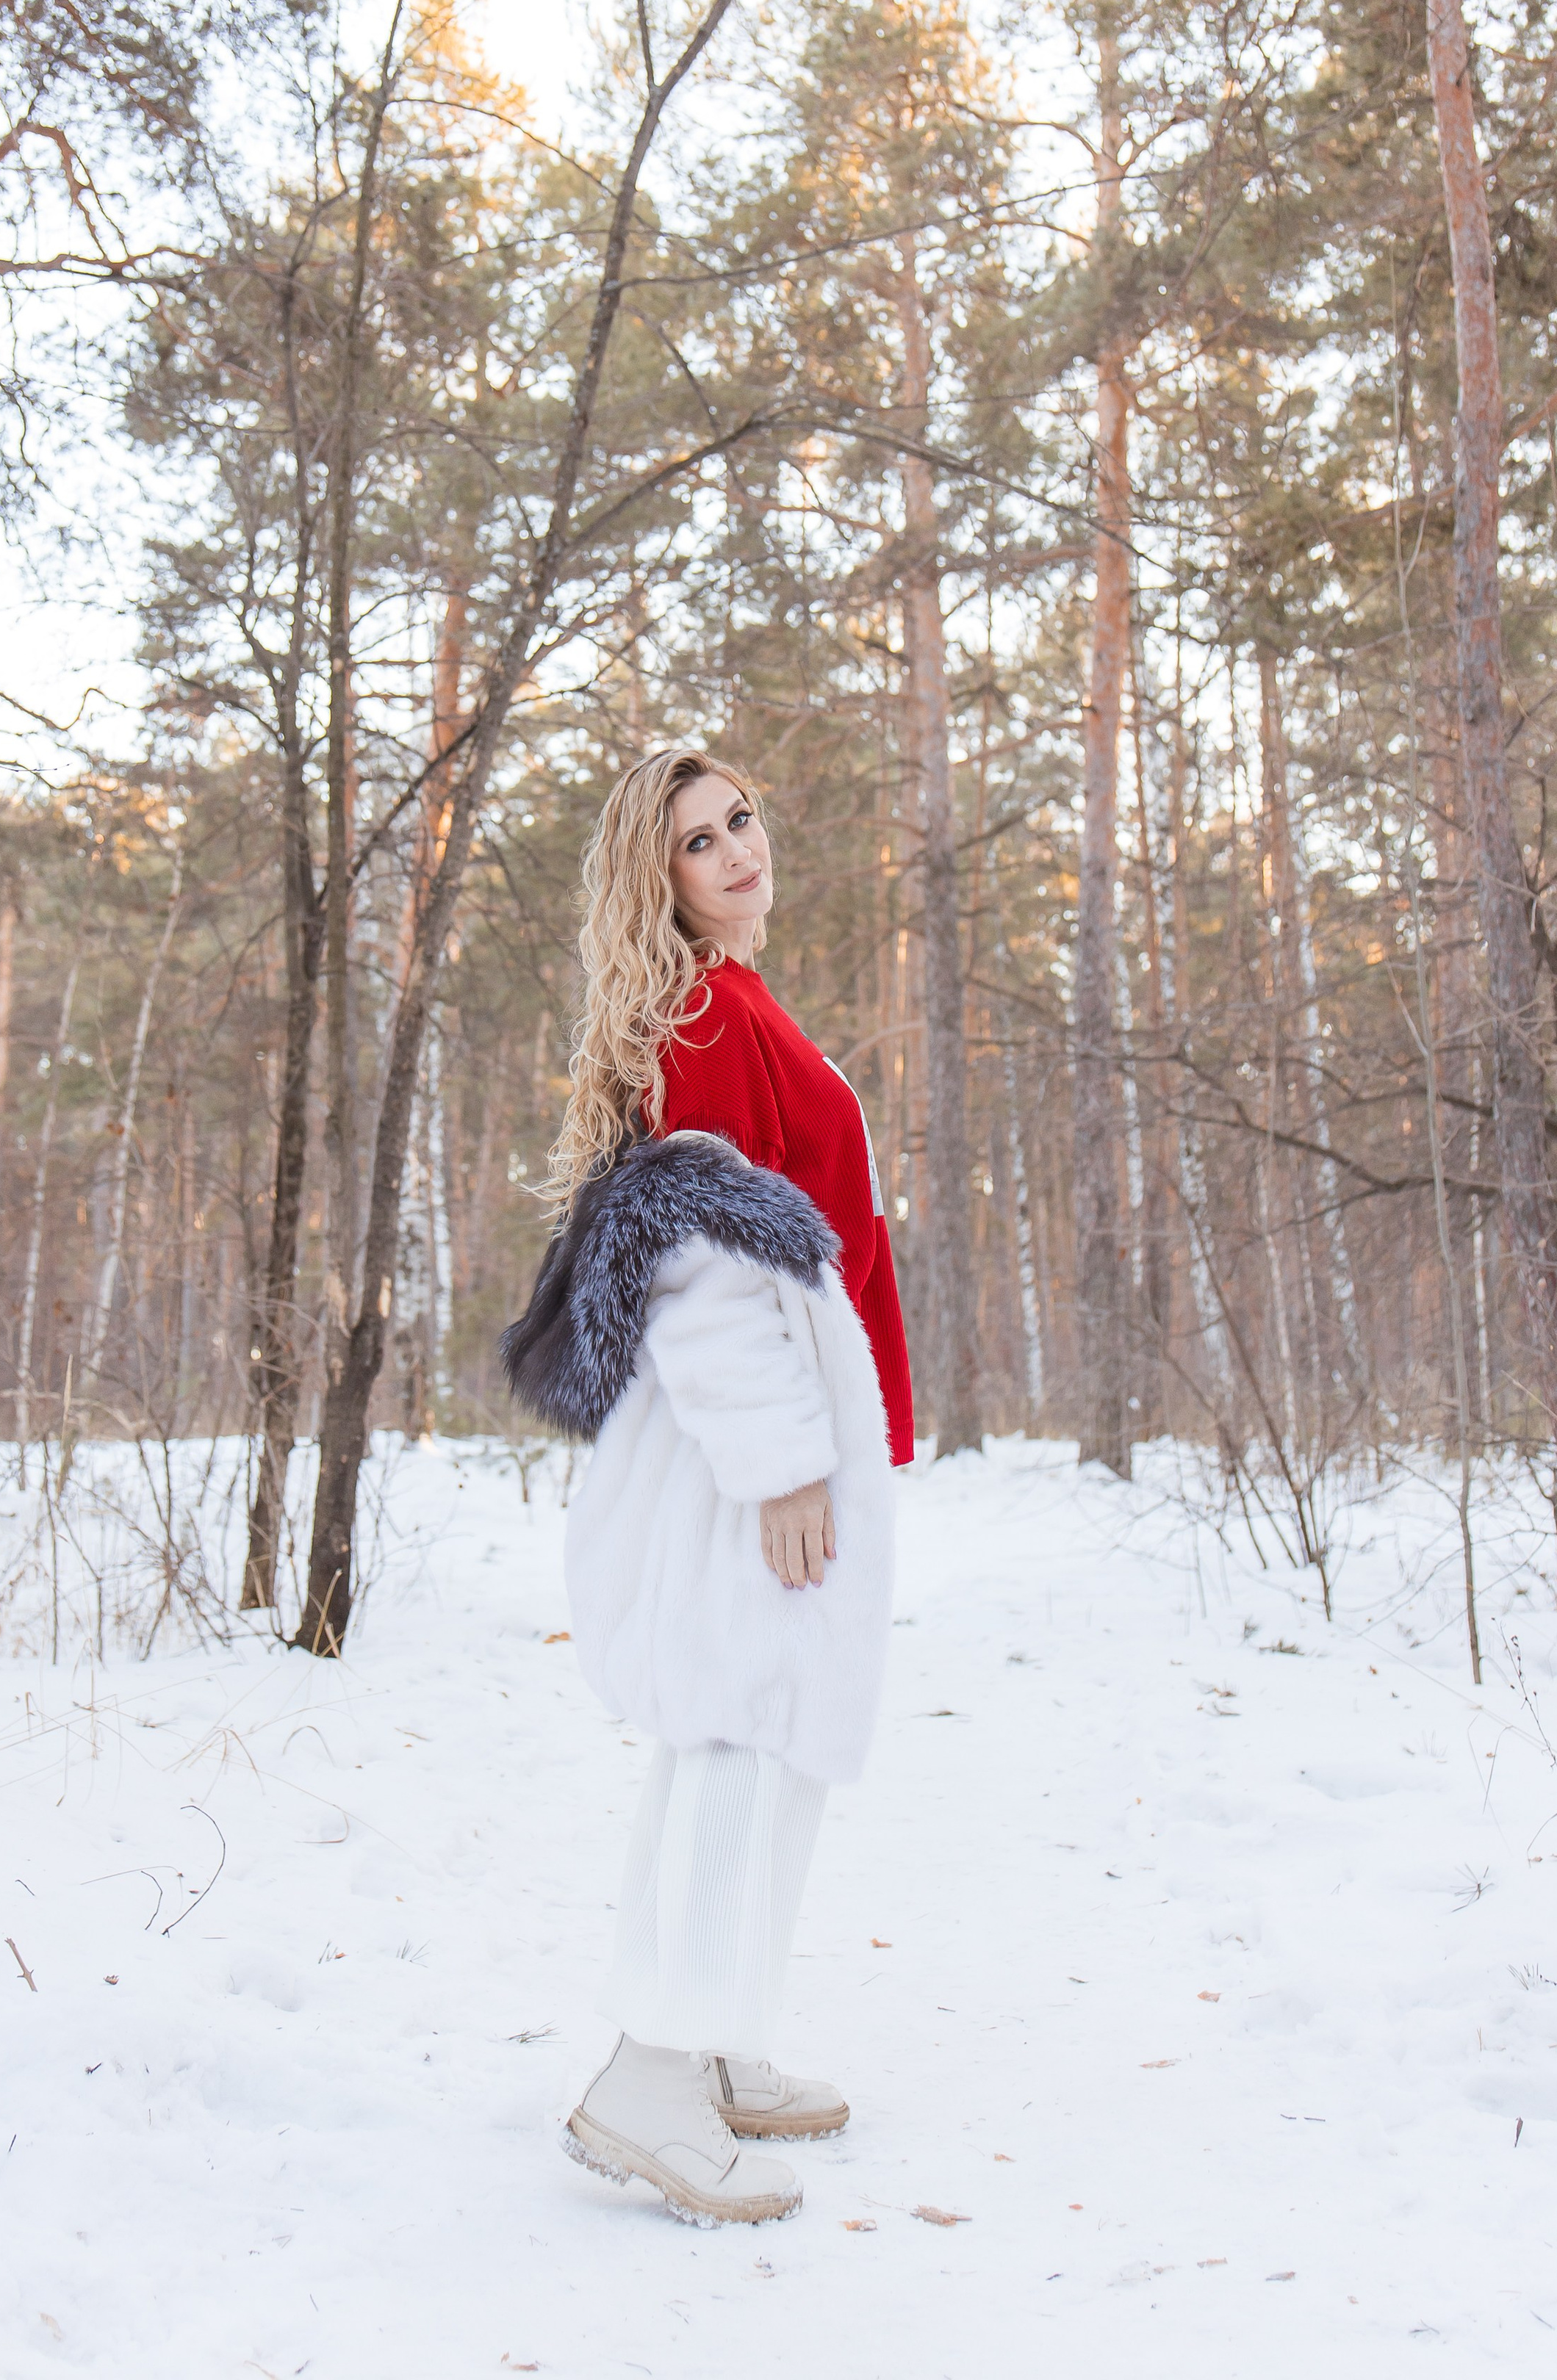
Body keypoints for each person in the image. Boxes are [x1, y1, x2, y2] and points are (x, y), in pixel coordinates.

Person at [502, 746, 913, 2226]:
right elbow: (688, 1258)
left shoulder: (737, 1003)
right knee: (737, 1737)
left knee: (760, 1735)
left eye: (743, 816)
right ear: (654, 878)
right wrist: (780, 1461)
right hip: (742, 1455)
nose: (737, 848)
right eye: (697, 840)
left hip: (773, 1441)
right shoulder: (698, 1012)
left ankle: (713, 2036)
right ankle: (648, 2075)